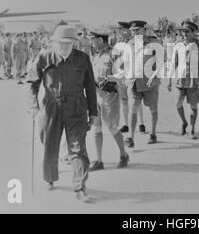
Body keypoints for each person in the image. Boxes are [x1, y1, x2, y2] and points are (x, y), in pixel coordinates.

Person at [27, 25, 98, 202]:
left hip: (77, 108)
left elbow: (90, 87)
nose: (64, 47)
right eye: (61, 43)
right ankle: (50, 178)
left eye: (69, 43)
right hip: (51, 107)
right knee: (50, 145)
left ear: (75, 43)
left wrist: (93, 113)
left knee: (78, 148)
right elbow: (31, 83)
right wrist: (33, 106)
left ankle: (80, 186)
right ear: (54, 43)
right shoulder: (44, 56)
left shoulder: (83, 58)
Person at [88, 30, 130, 171]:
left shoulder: (114, 54)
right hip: (96, 96)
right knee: (97, 128)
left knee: (111, 127)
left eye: (93, 39)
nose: (91, 42)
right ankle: (99, 160)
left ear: (100, 39)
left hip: (110, 96)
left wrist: (110, 80)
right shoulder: (96, 55)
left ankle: (123, 155)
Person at [123, 20, 161, 147]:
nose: (135, 33)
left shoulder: (154, 43)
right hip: (134, 82)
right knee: (133, 108)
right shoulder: (129, 44)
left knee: (152, 109)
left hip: (150, 82)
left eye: (138, 30)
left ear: (144, 30)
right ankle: (130, 137)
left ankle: (153, 133)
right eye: (133, 31)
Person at [167, 20, 199, 139]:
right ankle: (184, 122)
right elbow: (174, 63)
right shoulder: (178, 45)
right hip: (180, 79)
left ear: (194, 32)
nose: (184, 34)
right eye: (182, 31)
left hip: (194, 80)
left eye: (187, 31)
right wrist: (169, 80)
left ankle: (192, 130)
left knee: (193, 106)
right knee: (178, 103)